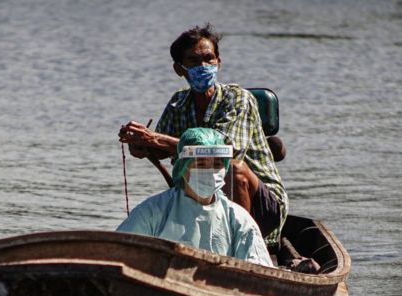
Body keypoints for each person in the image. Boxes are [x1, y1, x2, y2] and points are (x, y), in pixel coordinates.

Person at [118, 24, 288, 250]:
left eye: (209, 59)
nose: (203, 66)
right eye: (194, 61)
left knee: (232, 168)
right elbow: (159, 146)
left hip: (262, 206)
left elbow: (226, 150)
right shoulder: (179, 103)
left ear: (219, 62)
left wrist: (154, 139)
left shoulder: (239, 99)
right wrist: (141, 144)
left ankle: (240, 247)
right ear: (179, 69)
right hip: (200, 199)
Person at [117, 128, 273, 267]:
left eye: (217, 164)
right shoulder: (154, 211)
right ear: (183, 168)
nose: (210, 171)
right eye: (201, 164)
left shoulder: (238, 219)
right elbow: (119, 252)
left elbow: (259, 270)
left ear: (224, 169)